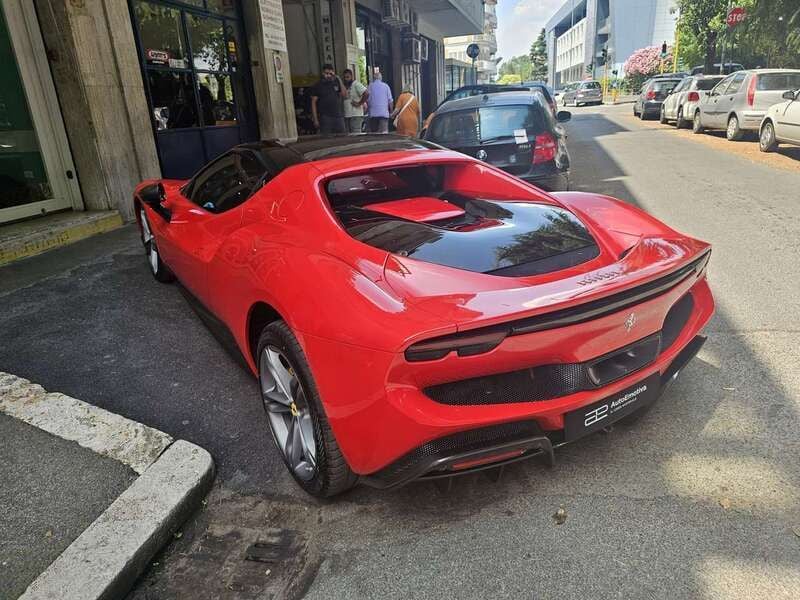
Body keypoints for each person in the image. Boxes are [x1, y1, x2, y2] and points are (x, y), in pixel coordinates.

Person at [310, 63, 347, 134]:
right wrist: (315, 119)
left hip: (338, 116)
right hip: (325, 117)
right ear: (323, 73)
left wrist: (339, 79)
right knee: (327, 139)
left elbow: (344, 95)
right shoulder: (318, 85)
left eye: (330, 73)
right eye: (326, 73)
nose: (328, 75)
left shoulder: (336, 82)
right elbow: (313, 102)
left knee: (342, 138)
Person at [342, 69, 368, 133]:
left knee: (356, 135)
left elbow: (366, 93)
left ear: (351, 77)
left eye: (348, 77)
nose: (346, 79)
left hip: (356, 115)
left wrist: (359, 103)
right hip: (347, 115)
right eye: (345, 77)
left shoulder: (356, 84)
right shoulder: (344, 86)